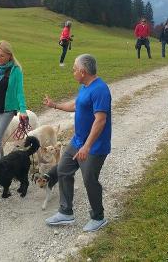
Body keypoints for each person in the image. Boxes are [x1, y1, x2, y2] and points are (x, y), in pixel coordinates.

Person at [43, 54, 111, 232]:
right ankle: (66, 212)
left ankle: (98, 217)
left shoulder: (100, 90)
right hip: (78, 140)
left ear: (83, 71)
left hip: (94, 146)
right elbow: (76, 105)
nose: (73, 71)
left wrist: (87, 146)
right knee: (63, 169)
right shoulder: (85, 86)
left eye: (74, 69)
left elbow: (100, 121)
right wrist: (54, 105)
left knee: (90, 180)